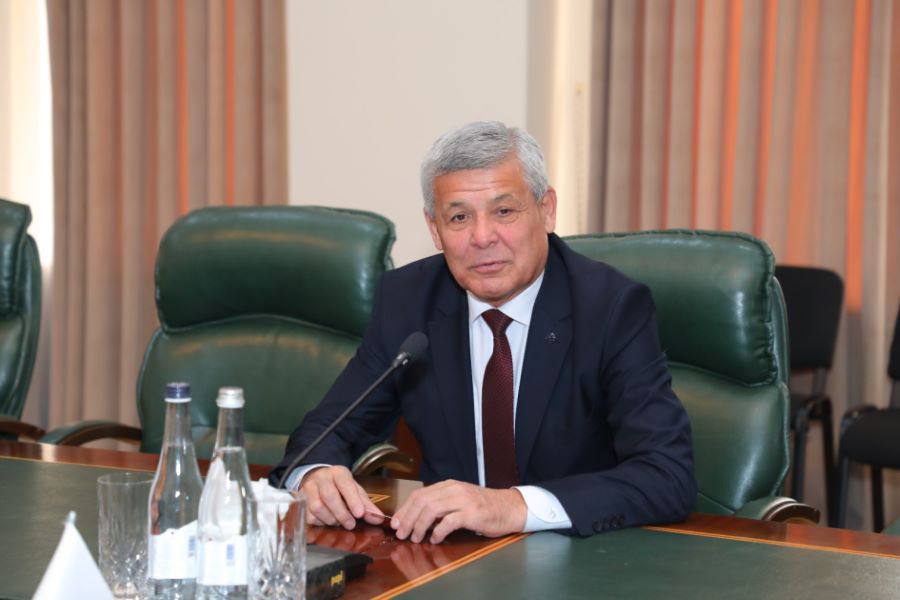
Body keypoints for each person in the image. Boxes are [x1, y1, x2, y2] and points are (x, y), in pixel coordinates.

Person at [270, 121, 696, 543]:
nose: (482, 237)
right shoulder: (408, 301)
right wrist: (315, 473)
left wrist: (512, 506)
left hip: (582, 556)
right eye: (459, 217)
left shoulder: (610, 307)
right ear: (435, 229)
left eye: (504, 211)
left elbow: (667, 475)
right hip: (447, 555)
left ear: (546, 210)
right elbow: (329, 428)